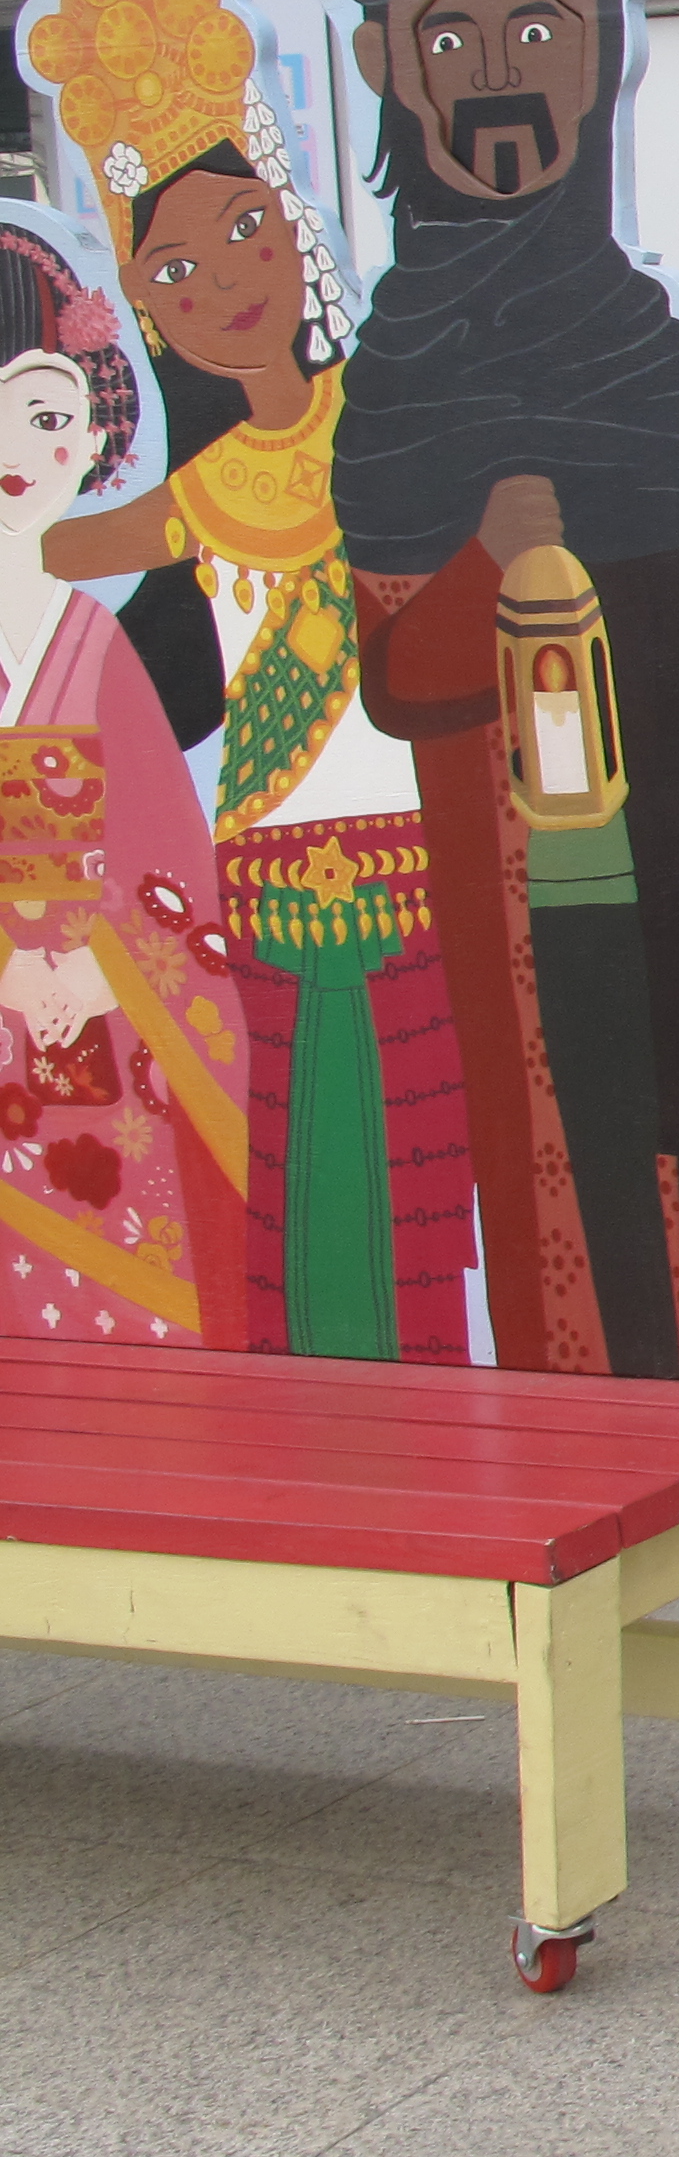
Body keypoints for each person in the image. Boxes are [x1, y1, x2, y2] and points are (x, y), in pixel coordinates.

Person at [322, 0, 679, 1380]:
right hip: (526, 907)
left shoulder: (642, 340)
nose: (499, 69)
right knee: (578, 1236)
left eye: (537, 24)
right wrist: (488, 568)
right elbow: (401, 675)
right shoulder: (407, 361)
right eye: (454, 28)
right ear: (389, 68)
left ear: (605, 47)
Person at [25, 0, 472, 1360]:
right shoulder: (193, 499)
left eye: (241, 236)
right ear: (144, 310)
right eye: (170, 267)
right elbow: (57, 549)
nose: (216, 280)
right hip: (261, 873)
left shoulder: (396, 425)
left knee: (425, 1145)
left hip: (422, 853)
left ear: (291, 234)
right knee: (290, 1153)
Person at [0, 223, 248, 1347]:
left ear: (98, 430)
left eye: (46, 413)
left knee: (102, 1308)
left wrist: (94, 969)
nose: (18, 446)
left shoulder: (98, 646)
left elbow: (169, 869)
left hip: (89, 1029)